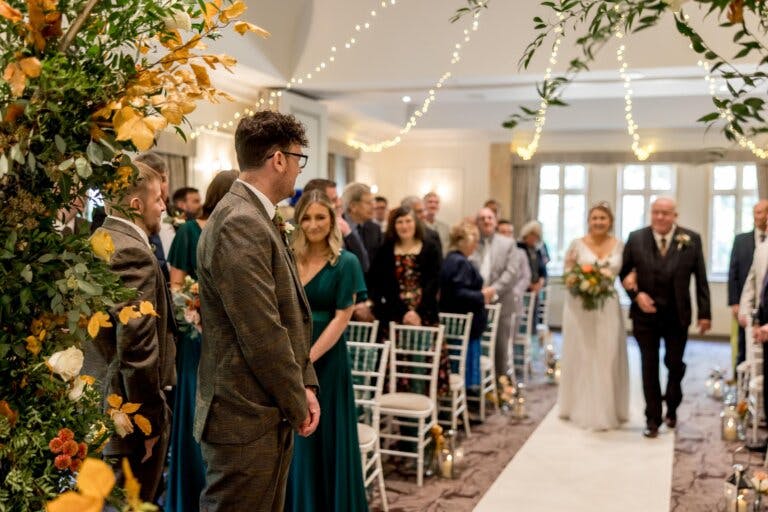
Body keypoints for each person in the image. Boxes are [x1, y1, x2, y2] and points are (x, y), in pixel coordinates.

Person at [195, 111, 320, 511]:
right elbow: (262, 332)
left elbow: (289, 314)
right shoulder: (239, 221)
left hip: (263, 407)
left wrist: (306, 384)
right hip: (243, 413)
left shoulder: (255, 215)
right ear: (278, 159)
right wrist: (296, 400)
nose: (300, 169)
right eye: (300, 158)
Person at [83, 162, 176, 502]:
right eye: (158, 199)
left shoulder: (97, 240)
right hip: (125, 420)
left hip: (96, 409)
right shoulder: (132, 252)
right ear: (135, 205)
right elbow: (136, 349)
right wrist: (147, 422)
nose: (164, 207)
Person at [285, 190, 368, 512]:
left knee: (326, 435)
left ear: (332, 220)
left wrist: (306, 360)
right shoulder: (289, 258)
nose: (313, 224)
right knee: (297, 437)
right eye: (306, 217)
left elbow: (341, 317)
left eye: (320, 217)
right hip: (289, 357)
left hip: (327, 361)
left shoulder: (346, 262)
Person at [165, 170, 238, 512]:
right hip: (198, 339)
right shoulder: (189, 232)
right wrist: (196, 313)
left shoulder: (238, 231)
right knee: (198, 408)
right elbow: (175, 287)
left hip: (235, 340)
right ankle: (193, 491)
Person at [620, 196, 711, 438]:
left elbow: (700, 278)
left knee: (674, 364)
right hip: (645, 315)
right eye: (656, 212)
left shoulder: (690, 239)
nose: (660, 217)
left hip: (677, 315)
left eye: (666, 213)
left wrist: (705, 313)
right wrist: (636, 295)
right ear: (651, 214)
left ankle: (672, 405)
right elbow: (624, 273)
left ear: (675, 216)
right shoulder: (636, 237)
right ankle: (652, 419)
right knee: (648, 365)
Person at [558, 203, 629, 430]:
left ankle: (609, 408)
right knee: (582, 352)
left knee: (607, 355)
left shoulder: (620, 245)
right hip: (580, 307)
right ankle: (576, 405)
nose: (598, 222)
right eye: (594, 218)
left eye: (603, 218)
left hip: (607, 305)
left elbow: (627, 273)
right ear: (589, 220)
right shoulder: (576, 245)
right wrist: (576, 280)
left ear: (610, 221)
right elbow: (568, 273)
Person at [369, 206, 448, 393]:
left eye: (408, 221)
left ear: (416, 223)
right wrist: (405, 313)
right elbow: (383, 285)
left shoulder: (430, 247)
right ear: (393, 225)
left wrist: (417, 313)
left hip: (425, 313)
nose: (404, 226)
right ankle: (399, 411)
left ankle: (425, 410)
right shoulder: (385, 249)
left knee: (423, 364)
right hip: (396, 314)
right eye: (399, 221)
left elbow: (433, 283)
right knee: (396, 366)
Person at [440, 222, 492, 389]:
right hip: (463, 327)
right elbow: (457, 294)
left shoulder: (452, 259)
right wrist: (482, 295)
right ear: (466, 241)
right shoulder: (459, 262)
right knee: (460, 369)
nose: (476, 246)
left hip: (463, 326)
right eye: (474, 241)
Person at [468, 207, 519, 379]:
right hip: (476, 301)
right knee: (476, 344)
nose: (486, 221)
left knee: (500, 347)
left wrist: (493, 290)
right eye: (482, 218)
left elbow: (512, 272)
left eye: (490, 218)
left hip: (501, 301)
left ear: (496, 221)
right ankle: (478, 385)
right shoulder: (472, 243)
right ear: (477, 223)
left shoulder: (508, 243)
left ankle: (501, 382)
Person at [728, 199, 768, 374]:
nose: (756, 216)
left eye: (760, 212)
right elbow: (738, 275)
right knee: (745, 350)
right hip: (753, 310)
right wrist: (739, 304)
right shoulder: (743, 241)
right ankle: (742, 388)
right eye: (755, 212)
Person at [303, 178, 369, 273]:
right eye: (334, 200)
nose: (339, 203)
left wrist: (348, 233)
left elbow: (363, 265)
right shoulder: (298, 230)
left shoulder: (342, 224)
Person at [135, 152, 174, 282]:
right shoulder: (133, 217)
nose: (160, 186)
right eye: (153, 179)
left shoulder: (181, 216)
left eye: (163, 179)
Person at [517, 220, 548, 293]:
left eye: (536, 236)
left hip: (537, 288)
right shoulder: (518, 248)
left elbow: (543, 269)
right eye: (532, 235)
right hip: (522, 288)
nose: (534, 238)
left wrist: (540, 283)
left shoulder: (537, 250)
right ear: (526, 234)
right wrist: (529, 285)